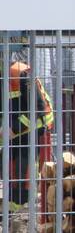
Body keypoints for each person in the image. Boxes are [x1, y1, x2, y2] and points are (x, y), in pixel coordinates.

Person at [4, 61, 54, 207]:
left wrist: (15, 129)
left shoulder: (21, 73)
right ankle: (13, 215)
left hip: (36, 130)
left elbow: (39, 108)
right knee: (12, 172)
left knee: (25, 174)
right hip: (17, 131)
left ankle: (23, 216)